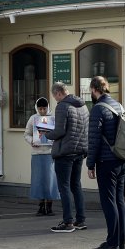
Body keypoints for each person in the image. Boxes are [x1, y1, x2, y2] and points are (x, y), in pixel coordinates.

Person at [86, 76, 125, 249]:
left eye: (91, 91)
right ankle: (121, 243)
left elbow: (94, 140)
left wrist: (90, 164)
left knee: (109, 202)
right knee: (119, 201)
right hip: (122, 159)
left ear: (94, 90)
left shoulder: (97, 109)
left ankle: (112, 244)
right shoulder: (118, 105)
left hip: (106, 162)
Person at [44, 82, 89, 233]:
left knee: (63, 187)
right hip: (80, 151)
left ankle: (68, 222)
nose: (55, 99)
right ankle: (80, 220)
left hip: (65, 153)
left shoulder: (62, 106)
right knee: (76, 185)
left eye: (54, 96)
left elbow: (59, 131)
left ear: (58, 93)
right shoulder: (82, 105)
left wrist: (46, 134)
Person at [24, 97, 60, 216]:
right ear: (37, 108)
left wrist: (54, 142)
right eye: (40, 109)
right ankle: (40, 206)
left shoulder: (53, 118)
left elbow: (57, 134)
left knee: (50, 180)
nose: (42, 111)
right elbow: (27, 134)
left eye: (44, 108)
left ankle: (49, 206)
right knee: (38, 180)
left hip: (50, 153)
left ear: (47, 107)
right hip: (37, 153)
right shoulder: (33, 118)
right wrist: (32, 141)